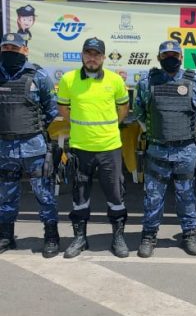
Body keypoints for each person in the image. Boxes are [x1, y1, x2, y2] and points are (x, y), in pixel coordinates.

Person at [57, 37, 130, 258]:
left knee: (115, 196)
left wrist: (109, 127)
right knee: (80, 196)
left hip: (109, 148)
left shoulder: (115, 80)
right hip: (80, 148)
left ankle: (118, 238)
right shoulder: (68, 79)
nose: (92, 58)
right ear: (82, 55)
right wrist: (81, 127)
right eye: (88, 53)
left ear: (103, 57)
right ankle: (80, 239)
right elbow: (63, 108)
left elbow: (123, 107)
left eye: (97, 54)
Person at [134, 40, 196, 257]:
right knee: (153, 196)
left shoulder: (194, 82)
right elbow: (139, 111)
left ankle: (189, 234)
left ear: (181, 57)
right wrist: (156, 132)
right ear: (159, 58)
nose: (170, 59)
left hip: (185, 149)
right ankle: (149, 235)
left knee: (186, 195)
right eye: (166, 56)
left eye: (174, 55)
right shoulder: (147, 82)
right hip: (157, 149)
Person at [0, 33, 59, 258]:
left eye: (14, 49)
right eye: (5, 47)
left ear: (25, 50)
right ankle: (6, 235)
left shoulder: (38, 75)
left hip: (33, 145)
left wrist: (34, 128)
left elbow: (51, 109)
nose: (9, 52)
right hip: (4, 147)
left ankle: (51, 236)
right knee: (6, 194)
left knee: (43, 193)